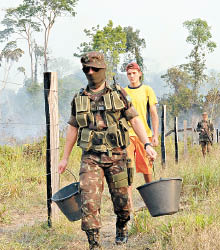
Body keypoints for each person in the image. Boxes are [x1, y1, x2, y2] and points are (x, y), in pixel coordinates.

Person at [57, 52, 157, 249]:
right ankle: (94, 243)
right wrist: (64, 158)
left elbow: (135, 119)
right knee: (88, 200)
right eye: (87, 69)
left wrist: (146, 144)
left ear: (103, 69)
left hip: (117, 155)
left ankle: (122, 227)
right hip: (91, 157)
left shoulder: (119, 93)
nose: (91, 72)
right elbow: (72, 128)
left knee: (122, 201)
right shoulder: (79, 98)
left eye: (95, 69)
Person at [123, 62, 159, 212]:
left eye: (134, 73)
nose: (132, 76)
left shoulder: (147, 90)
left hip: (145, 136)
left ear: (139, 74)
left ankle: (152, 203)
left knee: (147, 170)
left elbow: (153, 113)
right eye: (129, 74)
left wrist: (155, 135)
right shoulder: (123, 92)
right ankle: (129, 208)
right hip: (128, 136)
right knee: (128, 171)